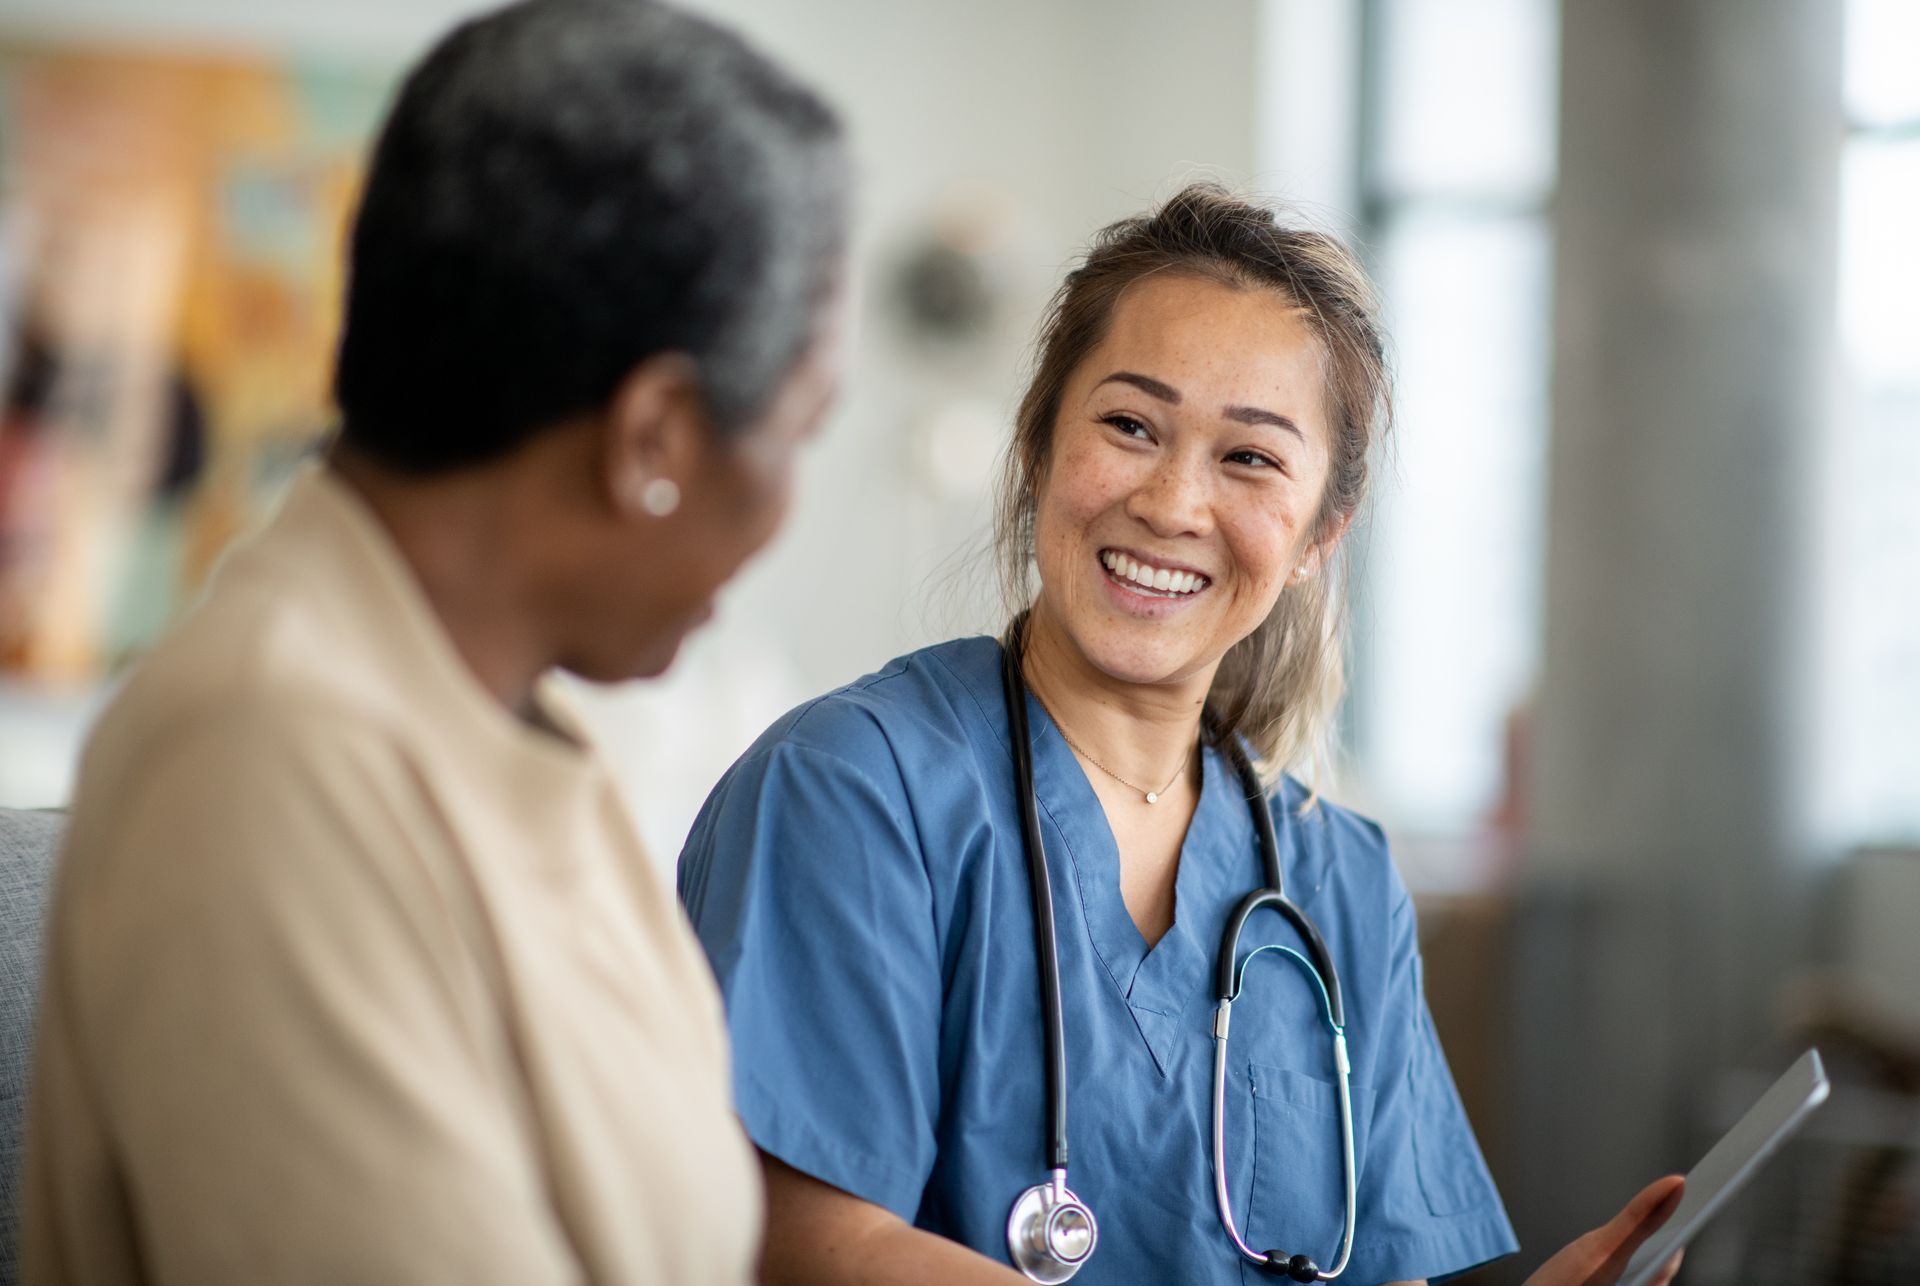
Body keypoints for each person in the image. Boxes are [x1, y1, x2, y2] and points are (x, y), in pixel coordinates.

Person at [679, 185, 1685, 1285]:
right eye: (1129, 425)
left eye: (1249, 458)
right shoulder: (851, 791)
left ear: (1317, 535)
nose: (1170, 502)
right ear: (1039, 446)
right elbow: (814, 1243)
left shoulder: (1337, 880)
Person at [23, 1, 847, 1281]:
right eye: (800, 429)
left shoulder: (509, 727)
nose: (792, 506)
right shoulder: (266, 759)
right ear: (657, 440)